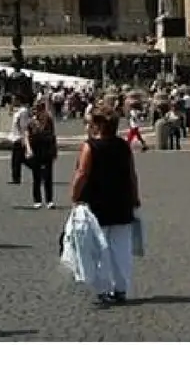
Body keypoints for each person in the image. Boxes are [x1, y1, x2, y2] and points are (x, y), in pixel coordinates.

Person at [70, 108, 141, 304]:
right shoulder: (123, 146)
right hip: (122, 201)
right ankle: (121, 288)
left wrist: (74, 196)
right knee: (121, 249)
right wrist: (135, 197)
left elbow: (82, 174)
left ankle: (102, 289)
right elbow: (132, 174)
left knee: (98, 247)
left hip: (98, 203)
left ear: (98, 125)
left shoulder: (90, 146)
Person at [26, 101, 60, 208]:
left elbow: (53, 136)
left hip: (47, 149)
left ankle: (49, 200)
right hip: (36, 149)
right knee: (36, 176)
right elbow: (27, 136)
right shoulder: (31, 122)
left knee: (48, 176)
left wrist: (54, 150)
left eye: (40, 109)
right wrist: (29, 149)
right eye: (36, 109)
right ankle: (37, 200)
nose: (37, 112)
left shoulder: (48, 120)